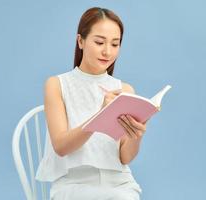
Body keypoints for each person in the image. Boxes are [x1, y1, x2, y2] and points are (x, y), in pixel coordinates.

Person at [36, 7, 147, 200]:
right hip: (73, 183)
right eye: (99, 42)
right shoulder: (57, 85)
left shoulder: (125, 90)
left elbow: (125, 158)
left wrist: (136, 135)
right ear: (81, 41)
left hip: (119, 183)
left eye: (115, 44)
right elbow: (61, 147)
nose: (107, 51)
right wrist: (100, 115)